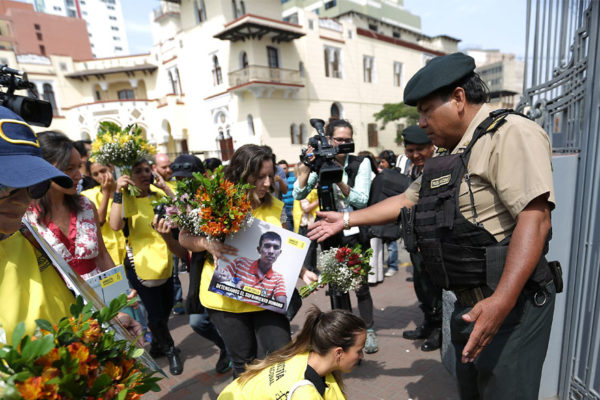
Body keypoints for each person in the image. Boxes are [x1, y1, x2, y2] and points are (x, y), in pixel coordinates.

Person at [308, 52, 556, 400]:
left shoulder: (510, 133)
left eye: (426, 111)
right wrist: (346, 219)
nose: (421, 123)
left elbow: (536, 218)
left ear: (458, 98)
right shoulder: (449, 155)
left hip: (510, 305)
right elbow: (407, 200)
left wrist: (501, 301)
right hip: (470, 303)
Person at [0, 107, 141, 344]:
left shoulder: (83, 205)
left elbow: (101, 254)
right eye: (6, 188)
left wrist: (116, 303)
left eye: (31, 187)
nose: (22, 200)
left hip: (91, 312)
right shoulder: (26, 224)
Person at [179, 144, 318, 378]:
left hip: (266, 296)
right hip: (225, 301)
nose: (266, 183)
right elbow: (184, 236)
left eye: (269, 175)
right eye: (259, 177)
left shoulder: (275, 205)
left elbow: (285, 246)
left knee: (281, 356)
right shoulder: (216, 201)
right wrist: (207, 244)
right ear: (242, 175)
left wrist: (303, 272)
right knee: (244, 365)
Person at [293, 119, 379, 354]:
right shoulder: (320, 161)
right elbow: (299, 193)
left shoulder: (360, 164)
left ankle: (368, 330)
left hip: (354, 231)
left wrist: (337, 178)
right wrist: (307, 168)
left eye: (347, 139)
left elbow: (361, 199)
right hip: (329, 234)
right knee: (338, 287)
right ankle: (346, 332)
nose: (343, 144)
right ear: (328, 140)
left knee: (360, 285)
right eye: (338, 139)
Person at [109, 158, 188, 375]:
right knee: (155, 313)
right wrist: (118, 191)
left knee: (167, 305)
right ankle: (171, 350)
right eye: (138, 171)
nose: (145, 174)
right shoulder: (126, 199)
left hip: (165, 259)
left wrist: (164, 187)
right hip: (140, 265)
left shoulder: (157, 193)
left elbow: (185, 212)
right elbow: (115, 225)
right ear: (128, 176)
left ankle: (157, 345)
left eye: (147, 170)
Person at [217, 306, 366, 400]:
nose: (361, 356)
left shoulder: (302, 354)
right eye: (359, 351)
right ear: (338, 352)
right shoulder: (305, 394)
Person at [170, 153, 232, 374]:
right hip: (199, 265)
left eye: (188, 177)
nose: (184, 183)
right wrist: (204, 243)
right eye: (179, 179)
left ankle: (236, 351)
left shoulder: (220, 193)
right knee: (197, 321)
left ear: (203, 175)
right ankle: (226, 347)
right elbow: (183, 242)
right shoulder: (181, 203)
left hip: (227, 260)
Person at [24, 132, 115, 279]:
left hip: (100, 296)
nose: (79, 176)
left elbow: (102, 255)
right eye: (69, 168)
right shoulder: (26, 217)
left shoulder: (86, 206)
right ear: (43, 166)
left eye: (79, 167)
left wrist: (120, 291)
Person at [398, 126, 443, 352]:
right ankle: (428, 322)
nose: (415, 155)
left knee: (434, 286)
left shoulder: (439, 168)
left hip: (435, 241)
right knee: (421, 284)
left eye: (420, 149)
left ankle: (438, 329)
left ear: (431, 146)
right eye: (410, 150)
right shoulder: (414, 169)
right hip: (416, 240)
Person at [212, 231, 287, 312]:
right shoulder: (240, 262)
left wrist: (251, 309)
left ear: (279, 253)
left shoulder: (278, 278)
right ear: (259, 249)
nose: (271, 251)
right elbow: (216, 280)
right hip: (227, 309)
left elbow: (282, 307)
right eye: (267, 246)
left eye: (276, 247)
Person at [278, 160, 295, 231]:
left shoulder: (294, 177)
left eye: (284, 168)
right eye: (281, 169)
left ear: (288, 168)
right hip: (284, 210)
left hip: (295, 209)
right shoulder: (277, 180)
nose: (283, 171)